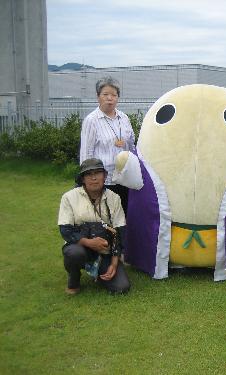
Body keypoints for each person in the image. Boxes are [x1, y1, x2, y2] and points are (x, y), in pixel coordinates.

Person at [58, 158, 130, 294]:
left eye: (98, 173)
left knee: (122, 287)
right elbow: (65, 230)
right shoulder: (69, 197)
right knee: (74, 253)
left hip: (106, 250)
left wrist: (114, 263)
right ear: (82, 179)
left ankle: (101, 267)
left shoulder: (115, 198)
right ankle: (74, 278)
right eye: (88, 174)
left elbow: (120, 232)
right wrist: (90, 243)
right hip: (80, 246)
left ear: (105, 176)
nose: (94, 178)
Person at [80, 76, 135, 214]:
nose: (110, 98)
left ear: (118, 97)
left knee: (124, 216)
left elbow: (132, 145)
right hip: (104, 181)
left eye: (114, 95)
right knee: (106, 217)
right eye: (105, 94)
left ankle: (124, 236)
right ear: (98, 96)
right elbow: (86, 154)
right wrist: (87, 181)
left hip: (124, 179)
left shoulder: (124, 118)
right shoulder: (92, 120)